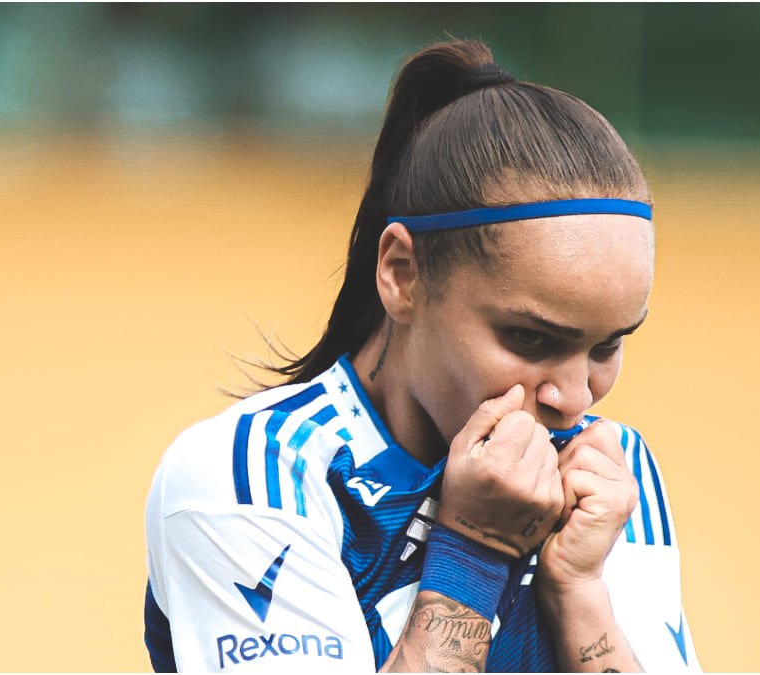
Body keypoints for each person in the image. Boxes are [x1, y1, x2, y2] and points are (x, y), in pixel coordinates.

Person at [144, 39, 700, 673]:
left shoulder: (611, 477)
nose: (573, 398)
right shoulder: (255, 475)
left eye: (606, 345)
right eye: (530, 339)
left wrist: (578, 591)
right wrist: (474, 551)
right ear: (402, 274)